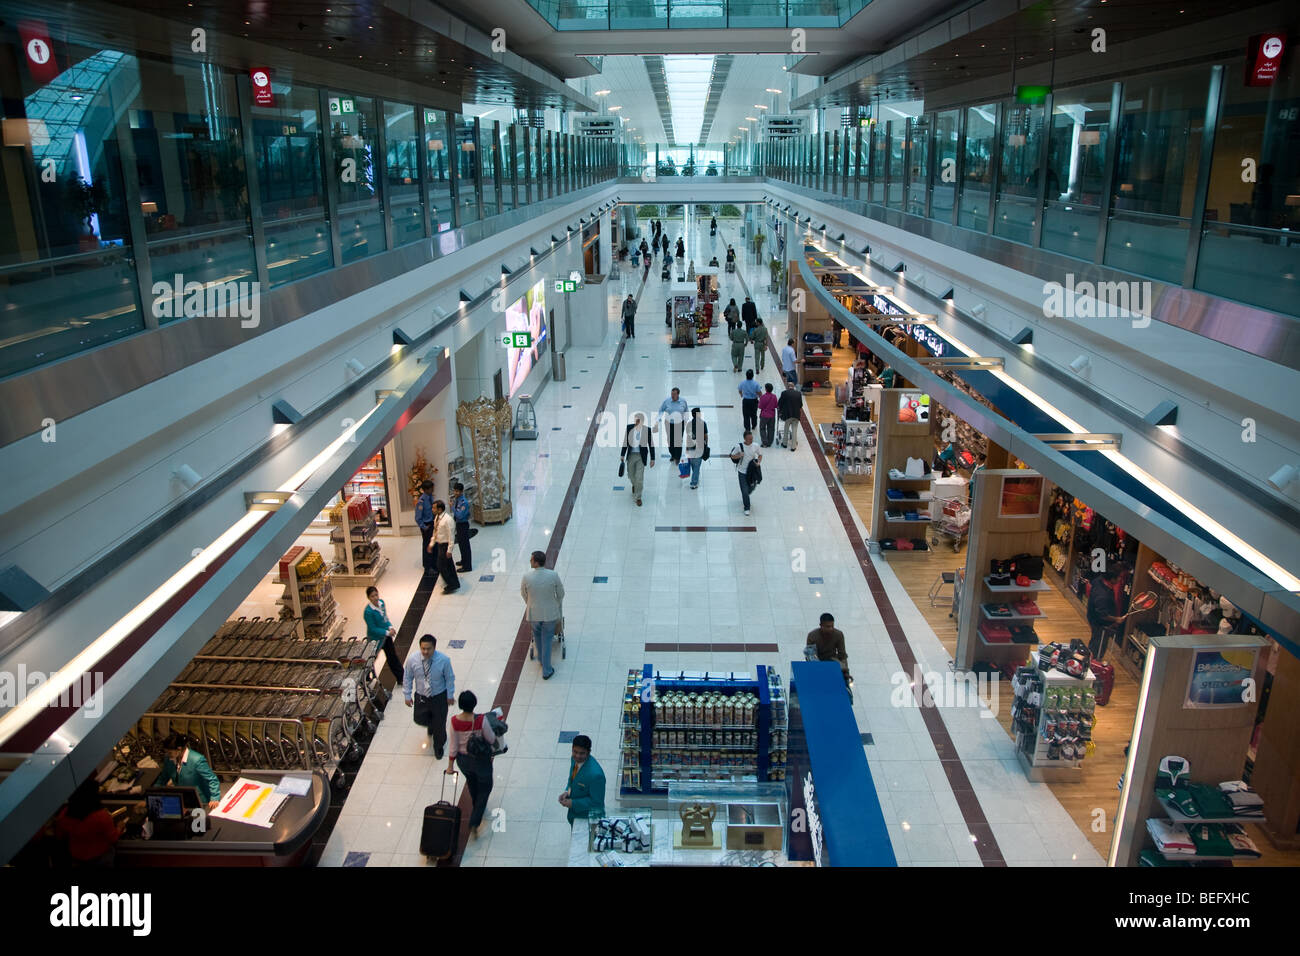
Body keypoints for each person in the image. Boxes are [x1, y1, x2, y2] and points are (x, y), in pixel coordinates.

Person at [446, 690, 497, 839]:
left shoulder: (454, 721)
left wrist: (450, 766)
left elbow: (453, 745)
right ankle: (475, 820)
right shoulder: (481, 720)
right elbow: (492, 739)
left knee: (472, 783)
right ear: (474, 704)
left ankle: (477, 806)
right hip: (481, 760)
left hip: (464, 761)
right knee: (486, 787)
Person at [403, 634, 455, 757]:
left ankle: (438, 746)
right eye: (423, 648)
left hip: (439, 696)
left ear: (434, 647)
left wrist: (450, 694)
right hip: (421, 696)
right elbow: (407, 677)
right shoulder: (412, 660)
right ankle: (432, 724)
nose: (425, 651)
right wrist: (407, 695)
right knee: (419, 718)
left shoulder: (444, 660)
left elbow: (449, 678)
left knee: (440, 723)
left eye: (428, 649)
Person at [55, 777, 123, 867]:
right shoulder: (101, 816)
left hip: (77, 859)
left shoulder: (64, 814)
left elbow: (60, 835)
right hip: (100, 858)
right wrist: (119, 828)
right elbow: (113, 838)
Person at [521, 550, 564, 680]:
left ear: (536, 562)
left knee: (538, 636)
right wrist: (555, 604)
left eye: (531, 559)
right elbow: (561, 593)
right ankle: (546, 669)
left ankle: (541, 659)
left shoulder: (527, 577)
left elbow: (524, 594)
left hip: (534, 614)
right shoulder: (553, 575)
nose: (530, 561)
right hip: (550, 614)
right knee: (547, 639)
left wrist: (530, 604)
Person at [156, 732, 221, 810]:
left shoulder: (197, 760)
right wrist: (152, 796)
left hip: (200, 802)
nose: (167, 755)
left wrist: (215, 798)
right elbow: (162, 779)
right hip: (181, 801)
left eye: (170, 752)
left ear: (179, 749)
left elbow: (212, 780)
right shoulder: (169, 760)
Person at [559, 734, 606, 826]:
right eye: (575, 752)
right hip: (575, 815)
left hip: (587, 819)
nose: (577, 756)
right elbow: (572, 779)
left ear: (588, 752)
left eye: (582, 753)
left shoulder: (596, 775)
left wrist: (573, 803)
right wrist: (567, 792)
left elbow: (597, 803)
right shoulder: (574, 759)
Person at [364, 585, 404, 680]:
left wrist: (390, 627)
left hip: (386, 637)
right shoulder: (368, 612)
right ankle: (365, 676)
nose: (375, 598)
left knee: (392, 657)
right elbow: (373, 628)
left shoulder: (381, 603)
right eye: (372, 596)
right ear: (368, 598)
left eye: (376, 595)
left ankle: (401, 678)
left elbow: (385, 618)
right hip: (375, 639)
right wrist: (387, 632)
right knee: (372, 658)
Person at [1086, 569, 1124, 658]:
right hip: (1100, 624)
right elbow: (1103, 615)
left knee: (1094, 641)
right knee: (1098, 647)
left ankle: (1089, 659)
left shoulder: (1098, 581)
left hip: (1092, 617)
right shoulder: (1103, 596)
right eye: (1118, 577)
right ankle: (1093, 664)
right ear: (1112, 579)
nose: (1120, 579)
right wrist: (1116, 619)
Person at [807, 613, 852, 686]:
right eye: (828, 627)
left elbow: (842, 655)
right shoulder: (812, 636)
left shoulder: (839, 634)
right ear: (821, 625)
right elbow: (811, 656)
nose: (831, 629)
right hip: (817, 661)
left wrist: (845, 671)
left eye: (832, 626)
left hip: (832, 660)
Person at [621, 412, 655, 507]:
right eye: (636, 420)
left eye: (639, 421)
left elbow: (651, 445)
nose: (637, 422)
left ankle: (638, 497)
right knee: (631, 475)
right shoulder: (629, 428)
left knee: (639, 478)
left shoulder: (647, 430)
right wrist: (622, 454)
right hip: (631, 455)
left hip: (641, 456)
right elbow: (625, 442)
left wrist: (653, 458)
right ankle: (635, 485)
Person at [429, 500, 460, 593]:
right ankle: (454, 583)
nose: (432, 510)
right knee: (449, 565)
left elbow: (451, 535)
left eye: (434, 508)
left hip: (445, 545)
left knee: (441, 565)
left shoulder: (448, 519)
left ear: (439, 509)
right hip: (440, 545)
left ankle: (451, 584)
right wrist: (431, 544)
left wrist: (449, 550)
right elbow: (435, 532)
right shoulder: (437, 518)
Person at [730, 430, 762, 516]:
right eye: (749, 439)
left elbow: (760, 455)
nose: (751, 440)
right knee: (744, 491)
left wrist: (758, 462)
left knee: (750, 489)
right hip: (742, 472)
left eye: (752, 438)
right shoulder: (739, 446)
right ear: (745, 439)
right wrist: (739, 455)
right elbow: (732, 456)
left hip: (752, 471)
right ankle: (747, 507)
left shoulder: (755, 446)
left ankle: (747, 495)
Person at [658, 387, 688, 463]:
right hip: (669, 424)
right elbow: (661, 410)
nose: (672, 395)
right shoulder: (667, 401)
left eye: (674, 394)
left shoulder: (683, 401)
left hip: (679, 424)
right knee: (670, 440)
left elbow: (686, 411)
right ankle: (673, 454)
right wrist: (659, 418)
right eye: (671, 394)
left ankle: (677, 457)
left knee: (678, 441)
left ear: (678, 394)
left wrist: (685, 420)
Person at [683, 407, 708, 489]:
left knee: (694, 464)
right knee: (697, 465)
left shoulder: (689, 424)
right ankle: (694, 482)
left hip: (691, 447)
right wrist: (706, 444)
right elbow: (705, 435)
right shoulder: (703, 423)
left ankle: (695, 476)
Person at [451, 481, 473, 572]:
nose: (456, 493)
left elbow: (460, 515)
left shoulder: (464, 502)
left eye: (458, 491)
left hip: (463, 525)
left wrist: (452, 507)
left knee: (465, 546)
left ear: (462, 491)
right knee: (461, 545)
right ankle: (463, 561)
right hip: (459, 525)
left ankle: (467, 566)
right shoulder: (457, 500)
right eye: (455, 491)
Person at [415, 479, 436, 573]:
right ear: (426, 490)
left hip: (432, 523)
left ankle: (434, 563)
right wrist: (423, 527)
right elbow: (418, 517)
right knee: (427, 545)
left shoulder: (430, 497)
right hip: (426, 525)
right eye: (431, 489)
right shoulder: (421, 502)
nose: (433, 490)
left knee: (433, 544)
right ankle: (427, 566)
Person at [777, 380, 803, 450]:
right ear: (793, 387)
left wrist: (780, 411)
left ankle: (784, 444)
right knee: (794, 430)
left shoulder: (784, 393)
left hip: (787, 414)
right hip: (796, 414)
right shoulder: (798, 394)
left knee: (786, 428)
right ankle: (793, 446)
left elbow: (779, 403)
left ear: (787, 387)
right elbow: (800, 405)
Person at [758, 382, 779, 447]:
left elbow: (760, 407)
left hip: (764, 415)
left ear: (766, 389)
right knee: (771, 428)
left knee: (762, 428)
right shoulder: (774, 396)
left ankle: (764, 442)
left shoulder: (763, 397)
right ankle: (769, 442)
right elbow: (776, 406)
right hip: (772, 415)